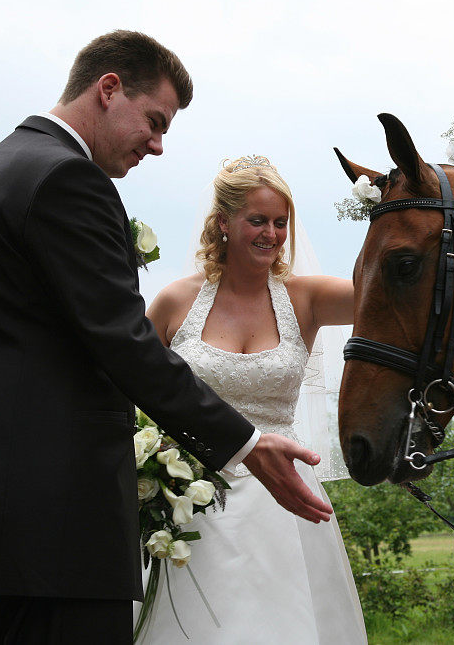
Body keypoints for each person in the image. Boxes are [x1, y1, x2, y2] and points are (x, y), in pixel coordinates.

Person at [0, 32, 331, 645]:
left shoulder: (2, 166)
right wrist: (246, 443)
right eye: (153, 121)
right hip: (57, 526)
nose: (158, 144)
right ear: (109, 88)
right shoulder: (67, 179)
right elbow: (122, 342)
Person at [141, 156, 365, 644]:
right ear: (223, 222)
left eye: (280, 222)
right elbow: (134, 389)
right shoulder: (174, 302)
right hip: (191, 500)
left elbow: (393, 295)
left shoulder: (306, 298)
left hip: (284, 499)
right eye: (257, 220)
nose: (271, 234)